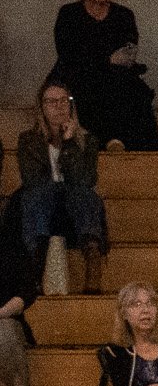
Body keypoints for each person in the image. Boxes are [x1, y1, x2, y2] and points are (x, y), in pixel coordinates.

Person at [51, 0, 158, 152]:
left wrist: (101, 59)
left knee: (131, 91)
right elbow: (68, 52)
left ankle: (139, 148)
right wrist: (106, 60)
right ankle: (103, 141)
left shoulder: (123, 15)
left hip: (115, 75)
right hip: (77, 73)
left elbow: (126, 51)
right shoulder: (69, 14)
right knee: (89, 88)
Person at [16, 81, 108, 291]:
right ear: (42, 107)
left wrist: (69, 144)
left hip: (73, 204)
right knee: (39, 194)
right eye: (51, 101)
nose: (58, 106)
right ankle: (36, 263)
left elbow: (86, 180)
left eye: (63, 101)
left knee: (84, 194)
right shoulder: (28, 140)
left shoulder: (87, 140)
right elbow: (31, 179)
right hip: (42, 201)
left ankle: (92, 258)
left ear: (71, 105)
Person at [0, 198, 36, 386]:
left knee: (4, 331)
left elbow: (27, 291)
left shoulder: (10, 247)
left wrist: (0, 312)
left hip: (5, 317)